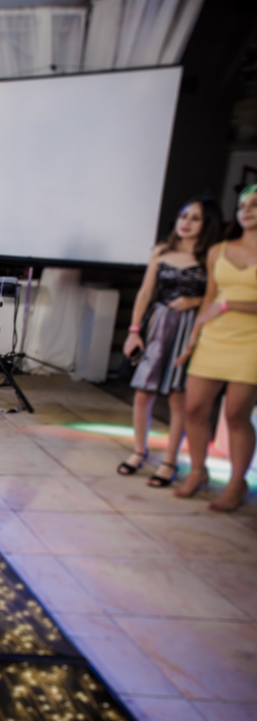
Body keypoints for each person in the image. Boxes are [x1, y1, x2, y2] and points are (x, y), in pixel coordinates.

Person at [119, 198, 221, 486]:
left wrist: (194, 301)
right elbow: (145, 292)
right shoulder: (161, 251)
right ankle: (139, 452)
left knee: (179, 398)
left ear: (207, 224)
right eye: (183, 216)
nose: (186, 223)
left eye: (195, 218)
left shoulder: (211, 255)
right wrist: (134, 331)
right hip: (157, 326)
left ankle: (169, 462)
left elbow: (216, 296)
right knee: (143, 391)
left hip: (190, 329)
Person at [173, 185, 257, 512]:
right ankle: (198, 471)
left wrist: (227, 305)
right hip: (213, 338)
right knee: (194, 408)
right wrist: (192, 341)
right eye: (242, 205)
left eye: (254, 205)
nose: (246, 211)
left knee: (236, 414)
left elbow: (219, 303)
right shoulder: (218, 250)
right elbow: (209, 298)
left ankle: (237, 483)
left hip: (251, 341)